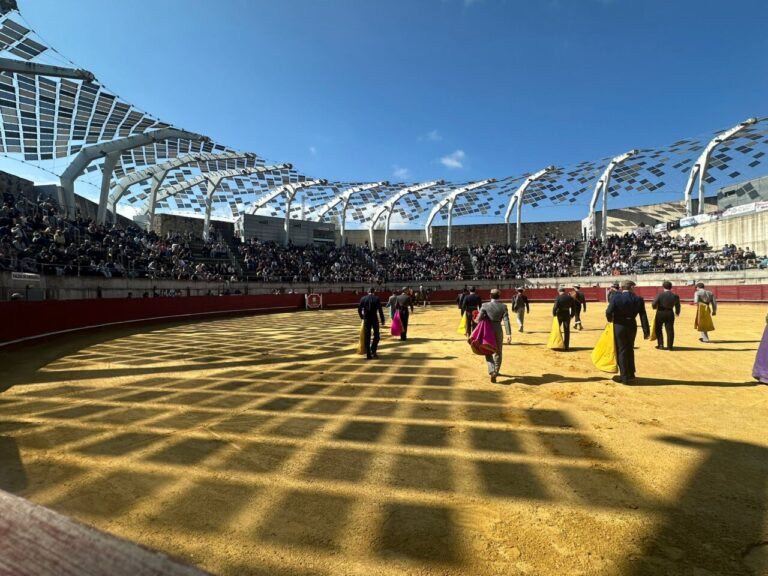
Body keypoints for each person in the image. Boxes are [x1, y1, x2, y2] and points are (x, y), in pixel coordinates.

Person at [606, 280, 650, 384]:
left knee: (621, 350)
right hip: (631, 326)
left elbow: (608, 311)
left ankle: (624, 377)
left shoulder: (616, 297)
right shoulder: (638, 299)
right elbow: (643, 315)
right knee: (630, 349)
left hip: (619, 326)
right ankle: (631, 374)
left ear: (622, 288)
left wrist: (610, 320)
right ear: (631, 287)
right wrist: (646, 330)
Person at [476, 288, 512, 383]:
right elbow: (506, 320)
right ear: (499, 296)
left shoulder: (484, 305)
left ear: (490, 295)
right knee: (498, 351)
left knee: (488, 350)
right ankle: (496, 371)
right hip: (498, 330)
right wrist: (508, 333)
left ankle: (492, 370)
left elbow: (478, 320)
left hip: (488, 331)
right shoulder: (503, 306)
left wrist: (474, 317)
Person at [651, 280, 681, 350]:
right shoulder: (675, 296)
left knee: (658, 328)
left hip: (660, 312)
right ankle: (670, 346)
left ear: (663, 287)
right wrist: (677, 312)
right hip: (670, 313)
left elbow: (654, 304)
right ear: (671, 287)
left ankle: (660, 345)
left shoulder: (659, 295)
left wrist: (654, 308)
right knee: (670, 329)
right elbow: (678, 306)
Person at [358, 288, 386, 359]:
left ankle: (368, 354)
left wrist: (362, 317)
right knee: (376, 335)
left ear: (368, 292)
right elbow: (380, 310)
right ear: (374, 292)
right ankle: (373, 350)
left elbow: (359, 309)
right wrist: (382, 320)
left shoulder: (363, 298)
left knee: (367, 336)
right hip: (374, 318)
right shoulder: (376, 298)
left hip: (366, 319)